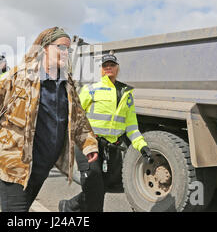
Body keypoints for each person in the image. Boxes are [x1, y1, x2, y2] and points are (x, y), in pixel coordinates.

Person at [0, 27, 99, 212]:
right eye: (61, 48)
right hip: (13, 164)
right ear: (45, 48)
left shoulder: (67, 85)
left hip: (41, 167)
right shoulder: (20, 77)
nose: (66, 53)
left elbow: (79, 120)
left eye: (68, 49)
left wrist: (89, 145)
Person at [59, 53, 152, 212]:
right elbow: (74, 116)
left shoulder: (126, 94)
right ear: (101, 70)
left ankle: (69, 206)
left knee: (101, 188)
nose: (108, 67)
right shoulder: (91, 90)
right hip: (88, 145)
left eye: (112, 65)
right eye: (105, 65)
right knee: (94, 184)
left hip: (111, 148)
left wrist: (142, 146)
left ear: (117, 68)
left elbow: (131, 126)